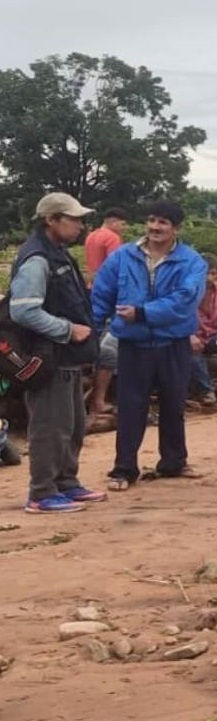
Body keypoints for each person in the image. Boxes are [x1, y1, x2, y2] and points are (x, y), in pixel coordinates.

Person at [90, 200, 208, 491]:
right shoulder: (122, 256)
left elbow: (185, 300)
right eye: (152, 220)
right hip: (133, 345)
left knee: (173, 405)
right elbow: (102, 293)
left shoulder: (192, 262)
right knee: (131, 407)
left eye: (163, 222)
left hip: (173, 343)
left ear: (175, 229)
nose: (155, 227)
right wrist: (89, 329)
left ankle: (174, 462)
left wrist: (142, 313)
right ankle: (124, 468)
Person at [8, 192, 105, 512]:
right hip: (48, 358)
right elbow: (23, 310)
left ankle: (66, 483)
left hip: (67, 359)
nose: (80, 224)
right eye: (73, 218)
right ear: (51, 220)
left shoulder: (57, 253)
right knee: (51, 426)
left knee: (73, 424)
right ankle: (41, 492)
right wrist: (67, 329)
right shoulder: (37, 259)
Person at [84, 208, 128, 418]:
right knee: (110, 346)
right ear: (113, 221)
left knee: (97, 338)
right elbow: (118, 268)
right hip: (109, 294)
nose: (123, 228)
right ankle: (101, 400)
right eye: (122, 223)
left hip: (93, 290)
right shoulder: (112, 238)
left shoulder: (91, 236)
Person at [190, 254, 217, 406]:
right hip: (193, 337)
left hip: (215, 337)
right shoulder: (189, 291)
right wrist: (190, 336)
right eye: (206, 273)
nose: (209, 278)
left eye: (213, 274)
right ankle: (207, 391)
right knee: (194, 354)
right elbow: (179, 317)